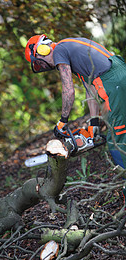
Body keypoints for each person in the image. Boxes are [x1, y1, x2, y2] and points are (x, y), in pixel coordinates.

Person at [25, 34, 126, 201]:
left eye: (40, 62)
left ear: (42, 50)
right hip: (119, 72)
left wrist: (63, 121)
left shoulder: (60, 51)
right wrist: (93, 123)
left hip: (113, 83)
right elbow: (90, 89)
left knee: (117, 138)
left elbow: (68, 90)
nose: (45, 66)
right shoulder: (71, 48)